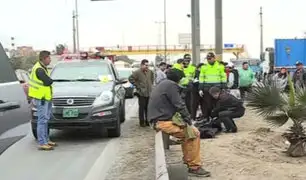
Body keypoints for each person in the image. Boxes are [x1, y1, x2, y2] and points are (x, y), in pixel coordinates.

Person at [148, 69, 211, 177]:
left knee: (189, 134)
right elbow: (179, 105)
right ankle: (194, 167)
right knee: (194, 134)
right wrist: (189, 121)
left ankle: (189, 161)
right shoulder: (172, 86)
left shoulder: (163, 83)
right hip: (162, 122)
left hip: (158, 119)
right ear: (179, 79)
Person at [28, 51, 56, 150]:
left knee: (45, 120)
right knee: (42, 121)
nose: (50, 60)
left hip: (45, 98)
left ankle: (46, 140)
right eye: (49, 58)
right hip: (41, 98)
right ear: (43, 58)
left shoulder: (42, 67)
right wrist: (51, 80)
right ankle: (42, 142)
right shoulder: (39, 69)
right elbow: (48, 81)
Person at [199, 52, 227, 119]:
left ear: (214, 58)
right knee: (208, 105)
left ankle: (216, 119)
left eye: (210, 58)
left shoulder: (220, 67)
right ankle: (208, 119)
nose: (209, 60)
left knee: (217, 105)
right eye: (208, 59)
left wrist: (223, 87)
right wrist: (200, 89)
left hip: (217, 88)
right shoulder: (204, 67)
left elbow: (223, 77)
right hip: (207, 88)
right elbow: (201, 78)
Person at [129, 59, 154, 127]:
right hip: (141, 93)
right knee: (142, 108)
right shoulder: (137, 72)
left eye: (147, 65)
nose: (147, 66)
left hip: (149, 92)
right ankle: (142, 122)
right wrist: (138, 86)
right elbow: (130, 78)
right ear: (142, 65)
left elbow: (152, 80)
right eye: (145, 65)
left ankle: (147, 121)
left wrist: (151, 87)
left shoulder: (150, 72)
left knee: (148, 108)